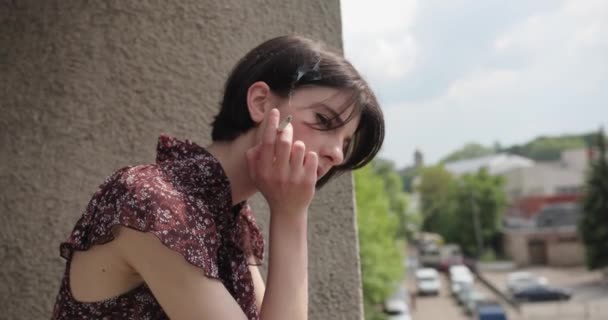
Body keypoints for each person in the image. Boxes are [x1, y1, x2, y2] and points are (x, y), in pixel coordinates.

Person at [51, 35, 384, 320]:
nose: (337, 155)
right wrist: (290, 215)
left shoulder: (232, 219)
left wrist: (290, 214)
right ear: (260, 103)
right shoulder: (151, 202)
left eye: (344, 143)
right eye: (324, 121)